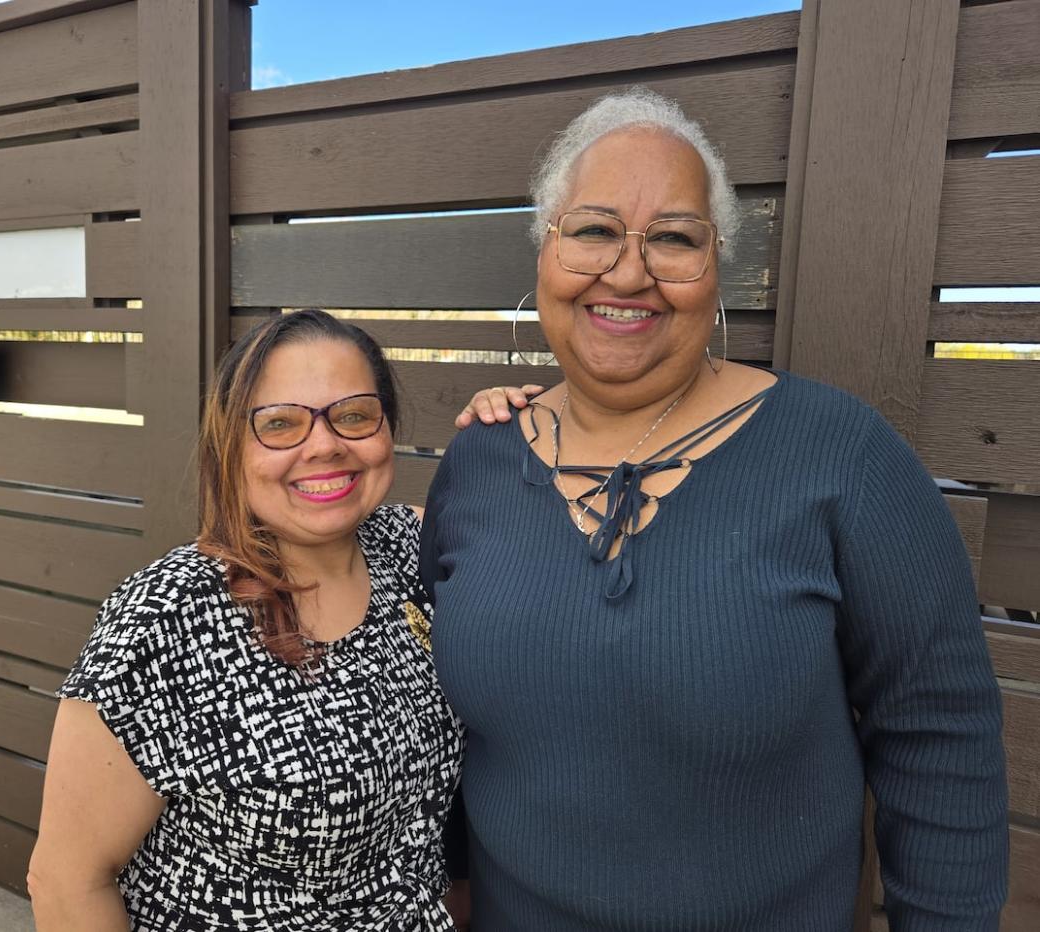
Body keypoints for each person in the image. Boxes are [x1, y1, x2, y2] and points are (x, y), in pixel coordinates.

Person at [422, 87, 1009, 931]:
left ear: (717, 265)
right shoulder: (479, 461)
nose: (628, 272)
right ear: (544, 253)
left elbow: (938, 730)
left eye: (672, 238)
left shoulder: (842, 454)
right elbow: (438, 726)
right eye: (592, 230)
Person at [27, 309, 533, 931]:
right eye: (280, 425)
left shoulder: (412, 549)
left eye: (352, 415)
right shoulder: (165, 618)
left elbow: (544, 534)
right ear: (231, 448)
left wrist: (517, 433)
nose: (324, 444)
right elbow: (66, 881)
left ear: (387, 429)